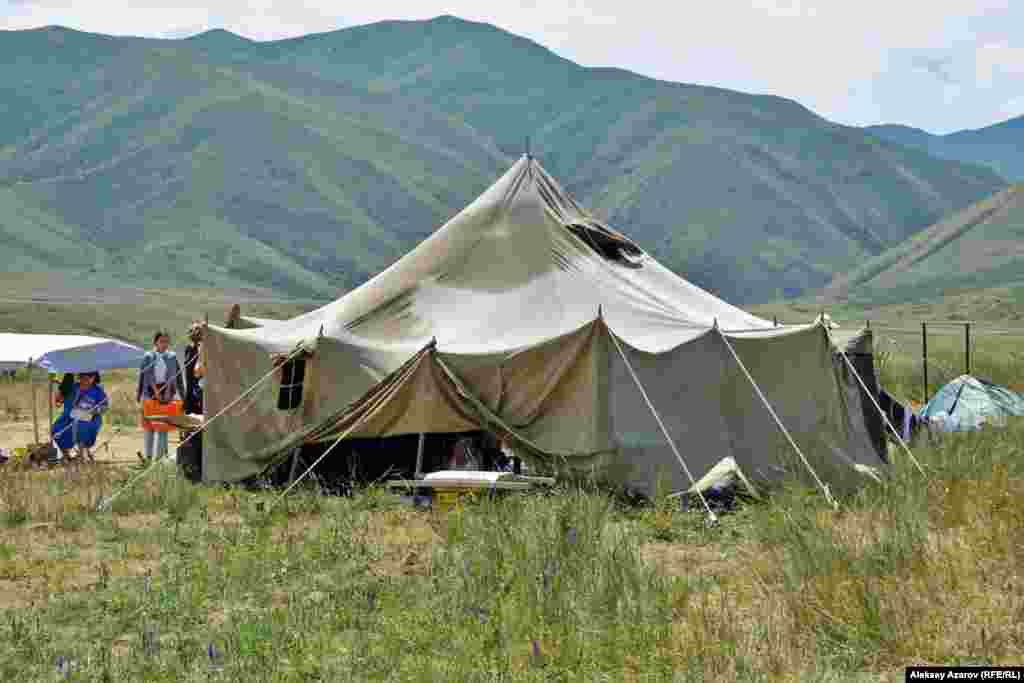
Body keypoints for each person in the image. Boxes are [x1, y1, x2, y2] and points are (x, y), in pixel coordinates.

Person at [137, 330, 185, 462]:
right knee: (150, 427)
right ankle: (148, 457)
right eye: (161, 341)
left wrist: (179, 394)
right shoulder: (148, 356)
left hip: (167, 394)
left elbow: (177, 376)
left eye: (166, 342)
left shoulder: (172, 357)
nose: (164, 344)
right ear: (155, 342)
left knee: (163, 426)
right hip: (150, 393)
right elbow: (144, 376)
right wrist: (144, 394)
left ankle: (160, 458)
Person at [51, 371, 108, 463]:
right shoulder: (71, 387)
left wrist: (94, 411)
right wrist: (60, 390)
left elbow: (104, 407)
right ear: (79, 376)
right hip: (69, 417)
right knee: (57, 429)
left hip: (90, 419)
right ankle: (66, 455)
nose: (86, 379)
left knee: (82, 427)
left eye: (89, 377)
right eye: (83, 376)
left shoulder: (98, 391)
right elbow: (58, 402)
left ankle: (82, 454)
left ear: (94, 377)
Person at [183, 322, 204, 415]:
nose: (195, 332)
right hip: (190, 388)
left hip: (199, 388)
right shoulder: (189, 348)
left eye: (198, 330)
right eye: (192, 330)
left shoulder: (203, 349)